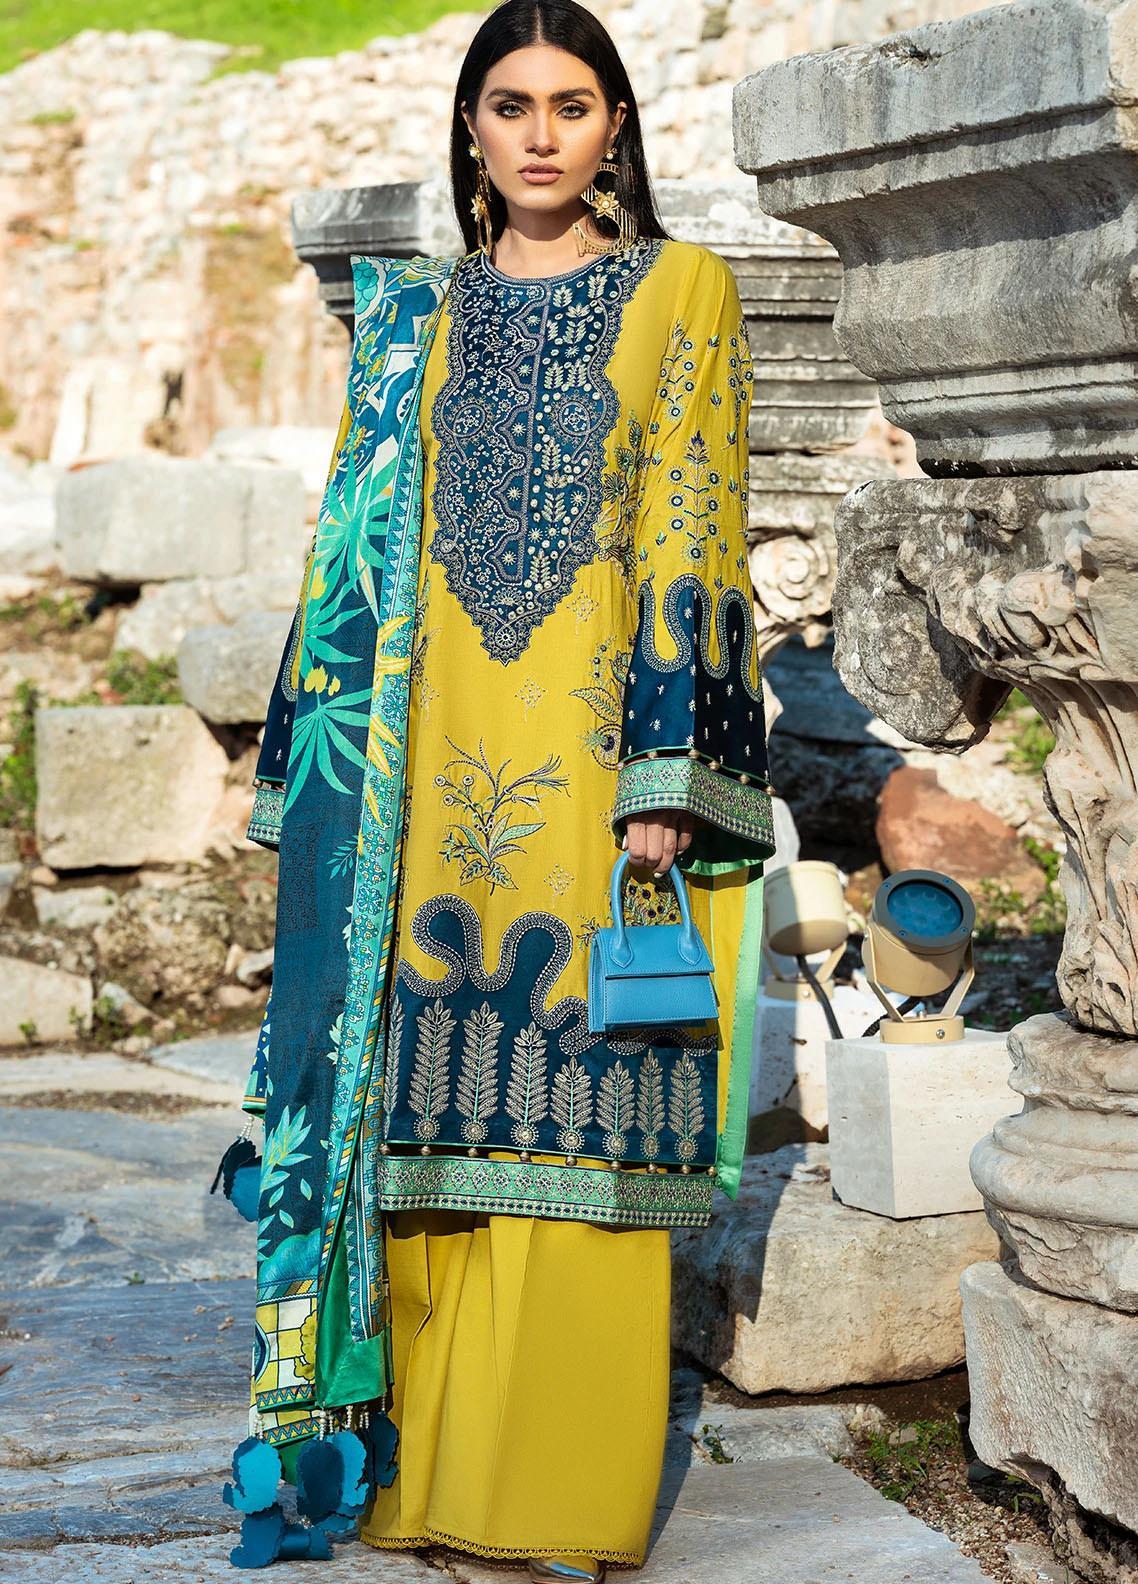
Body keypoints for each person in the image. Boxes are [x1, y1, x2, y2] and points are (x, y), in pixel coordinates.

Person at [233, 1, 774, 1577]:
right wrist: (310, 771)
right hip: (409, 770)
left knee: (585, 1110)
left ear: (617, 128)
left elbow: (692, 526)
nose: (541, 134)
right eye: (511, 104)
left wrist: (665, 770)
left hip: (589, 759)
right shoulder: (408, 314)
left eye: (573, 104)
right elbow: (345, 549)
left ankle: (554, 1499)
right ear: (469, 128)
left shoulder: (682, 289)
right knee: (406, 1122)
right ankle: (418, 1482)